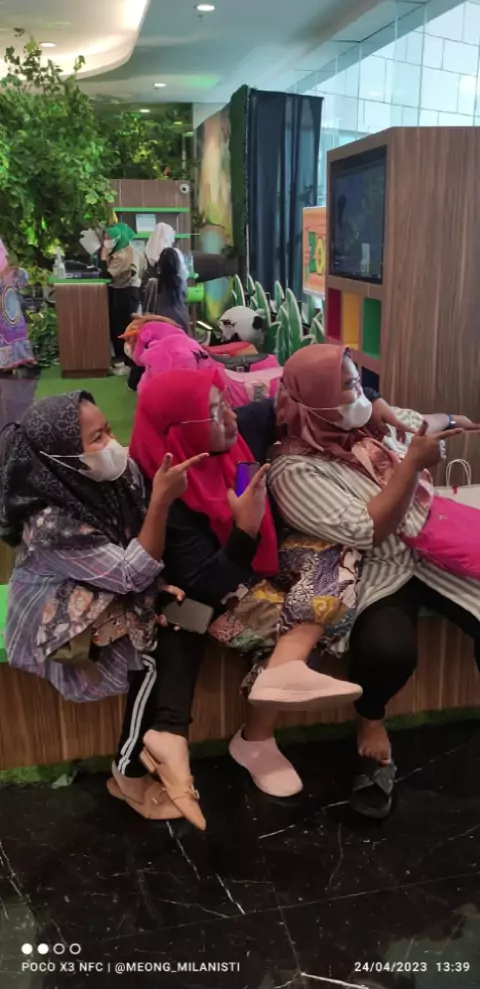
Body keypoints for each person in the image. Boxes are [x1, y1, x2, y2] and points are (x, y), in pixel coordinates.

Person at [130, 368, 366, 802]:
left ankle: (284, 669)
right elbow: (202, 585)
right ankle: (256, 739)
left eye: (224, 402)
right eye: (214, 412)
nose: (230, 417)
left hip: (260, 559)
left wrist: (378, 406)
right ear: (179, 430)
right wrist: (245, 529)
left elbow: (302, 392)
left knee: (339, 556)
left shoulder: (239, 434)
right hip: (202, 600)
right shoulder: (162, 490)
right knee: (314, 624)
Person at [268, 343, 480, 818]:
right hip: (375, 566)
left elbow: (419, 421)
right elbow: (369, 531)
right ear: (315, 400)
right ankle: (370, 720)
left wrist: (453, 419)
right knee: (389, 651)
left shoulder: (371, 427)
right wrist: (412, 465)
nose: (361, 394)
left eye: (357, 381)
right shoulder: (293, 468)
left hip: (433, 547)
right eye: (346, 386)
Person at [0, 391, 208, 827]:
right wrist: (161, 502)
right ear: (61, 455)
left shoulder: (115, 476)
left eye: (109, 430)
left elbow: (132, 552)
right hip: (59, 610)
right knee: (151, 649)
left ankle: (167, 737)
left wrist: (156, 582)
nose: (112, 443)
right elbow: (129, 574)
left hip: (107, 583)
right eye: (97, 438)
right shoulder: (51, 522)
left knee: (189, 618)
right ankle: (129, 769)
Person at [101, 223, 146, 374]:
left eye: (108, 238)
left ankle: (129, 363)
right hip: (121, 290)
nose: (106, 241)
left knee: (124, 327)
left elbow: (107, 274)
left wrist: (103, 257)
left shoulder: (123, 255)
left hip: (126, 292)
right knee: (118, 326)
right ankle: (124, 360)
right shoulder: (122, 251)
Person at [0, 239, 35, 372]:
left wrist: (13, 271)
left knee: (16, 326)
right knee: (5, 330)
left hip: (9, 296)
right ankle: (6, 364)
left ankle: (19, 359)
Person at [143, 247, 189, 333]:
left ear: (160, 264)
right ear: (177, 264)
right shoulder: (181, 283)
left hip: (159, 326)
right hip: (180, 325)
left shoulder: (153, 283)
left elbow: (146, 307)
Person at [145, 222, 188, 287]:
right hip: (171, 288)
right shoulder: (174, 253)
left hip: (151, 289)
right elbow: (183, 274)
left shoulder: (145, 254)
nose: (173, 240)